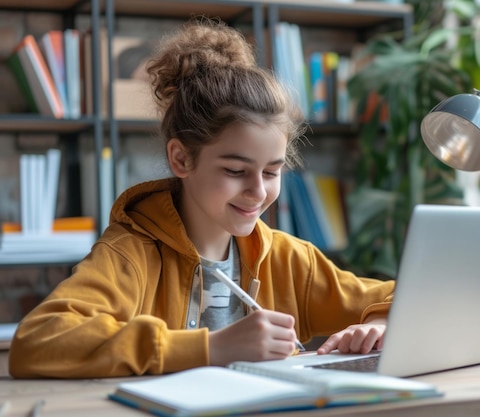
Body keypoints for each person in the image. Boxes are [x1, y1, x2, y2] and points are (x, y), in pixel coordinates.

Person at [8, 18, 395, 379]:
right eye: (234, 171)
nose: (258, 192)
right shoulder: (131, 255)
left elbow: (401, 296)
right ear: (182, 158)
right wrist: (210, 348)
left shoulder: (287, 259)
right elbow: (38, 341)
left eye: (272, 172)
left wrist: (376, 326)